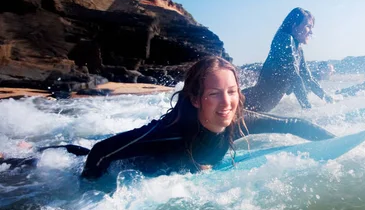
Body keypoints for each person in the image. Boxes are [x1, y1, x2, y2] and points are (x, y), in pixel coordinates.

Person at [81, 55, 335, 179]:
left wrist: (342, 144)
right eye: (215, 94)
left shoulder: (239, 121)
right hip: (138, 169)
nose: (227, 103)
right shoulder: (171, 132)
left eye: (232, 92)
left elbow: (293, 125)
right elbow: (100, 151)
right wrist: (90, 191)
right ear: (195, 98)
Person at [242, 7, 334, 112]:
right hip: (248, 103)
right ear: (294, 26)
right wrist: (307, 109)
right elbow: (293, 76)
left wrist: (329, 99)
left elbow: (308, 78)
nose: (311, 32)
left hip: (257, 107)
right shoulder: (284, 39)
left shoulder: (298, 49)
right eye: (308, 26)